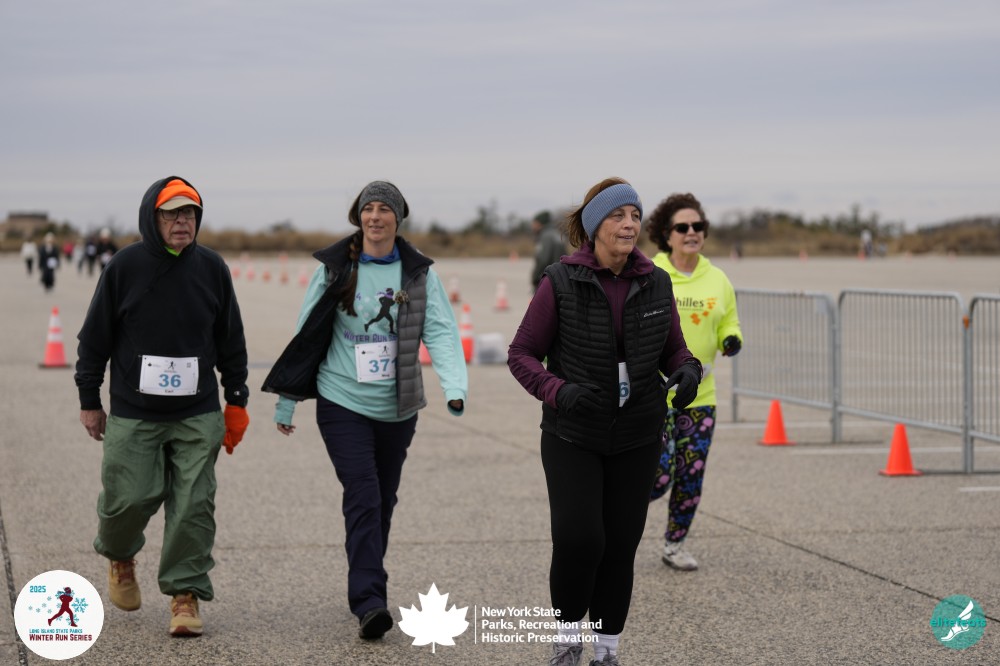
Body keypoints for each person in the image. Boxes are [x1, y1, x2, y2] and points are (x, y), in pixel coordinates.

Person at [262, 180, 468, 641]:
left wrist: (454, 386)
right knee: (364, 495)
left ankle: (366, 575)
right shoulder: (337, 269)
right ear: (358, 217)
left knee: (382, 500)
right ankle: (369, 600)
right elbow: (307, 334)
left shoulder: (418, 274)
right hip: (342, 401)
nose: (375, 216)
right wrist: (287, 399)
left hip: (398, 408)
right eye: (367, 208)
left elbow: (440, 329)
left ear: (398, 218)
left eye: (383, 209)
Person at [507, 178, 702, 666]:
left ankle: (606, 650)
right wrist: (558, 390)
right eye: (618, 215)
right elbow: (522, 353)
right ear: (596, 226)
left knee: (619, 546)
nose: (630, 224)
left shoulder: (656, 280)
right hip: (573, 432)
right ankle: (567, 639)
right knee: (580, 540)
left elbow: (675, 348)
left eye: (635, 215)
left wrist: (687, 370)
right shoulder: (560, 280)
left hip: (638, 434)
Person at [74, 176, 250, 637]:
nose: (182, 221)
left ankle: (185, 593)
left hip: (197, 412)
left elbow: (230, 338)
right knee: (129, 498)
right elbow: (94, 340)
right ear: (152, 218)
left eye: (189, 213)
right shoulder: (124, 267)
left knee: (194, 505)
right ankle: (120, 555)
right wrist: (90, 400)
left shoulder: (212, 268)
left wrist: (236, 400)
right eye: (171, 213)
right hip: (135, 412)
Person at [646, 192, 742, 572]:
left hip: (701, 397)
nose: (691, 232)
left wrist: (731, 338)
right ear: (666, 234)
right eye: (682, 227)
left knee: (691, 474)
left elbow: (729, 319)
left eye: (697, 226)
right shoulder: (651, 273)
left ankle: (674, 545)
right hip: (655, 394)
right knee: (659, 474)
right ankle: (616, 516)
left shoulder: (717, 279)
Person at [530, 211, 567, 292]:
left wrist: (535, 278)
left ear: (540, 223)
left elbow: (543, 260)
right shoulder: (558, 234)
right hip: (561, 279)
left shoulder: (545, 236)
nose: (532, 226)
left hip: (547, 281)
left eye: (534, 223)